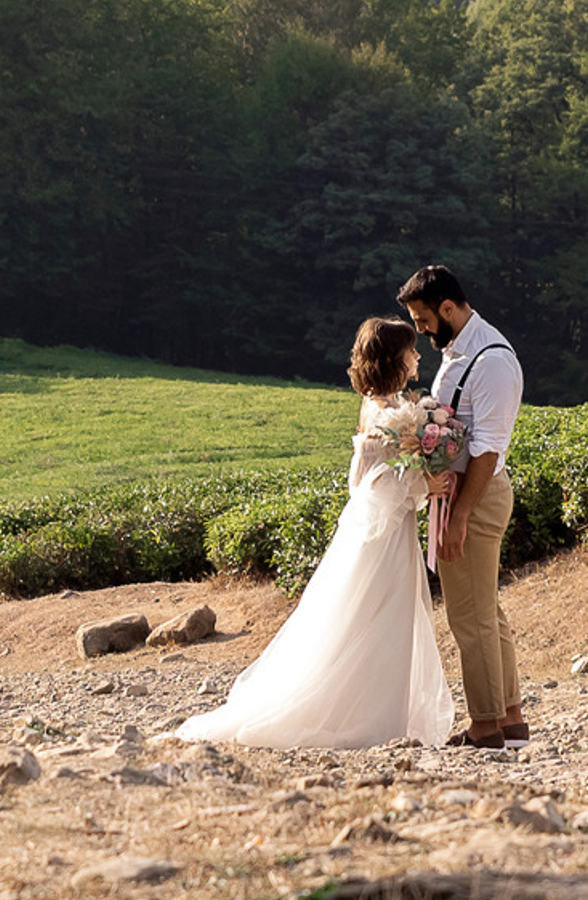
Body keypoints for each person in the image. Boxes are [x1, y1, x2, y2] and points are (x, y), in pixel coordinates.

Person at [173, 317, 455, 751]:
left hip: (385, 531)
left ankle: (384, 713)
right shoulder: (387, 413)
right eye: (410, 351)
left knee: (381, 616)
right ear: (394, 359)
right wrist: (426, 484)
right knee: (377, 616)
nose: (417, 356)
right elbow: (377, 484)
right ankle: (368, 718)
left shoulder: (386, 405)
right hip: (381, 536)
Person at [399, 263, 527, 749]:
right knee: (485, 609)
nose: (420, 329)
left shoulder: (491, 359)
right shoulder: (458, 351)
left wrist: (460, 517)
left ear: (448, 308)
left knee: (468, 616)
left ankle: (485, 725)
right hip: (462, 495)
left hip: (478, 495)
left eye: (424, 319)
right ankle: (510, 718)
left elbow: (489, 448)